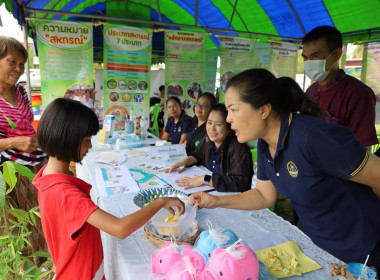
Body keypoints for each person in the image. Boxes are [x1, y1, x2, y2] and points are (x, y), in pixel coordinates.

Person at [189, 69, 380, 271]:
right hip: (317, 245)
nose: (228, 119)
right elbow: (264, 195)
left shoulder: (313, 137)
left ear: (264, 110)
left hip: (361, 252)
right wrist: (216, 201)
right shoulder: (264, 144)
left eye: (233, 110)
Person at [32, 98, 185, 279]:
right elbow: (120, 228)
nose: (90, 146)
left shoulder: (46, 177)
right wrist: (161, 201)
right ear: (68, 139)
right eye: (87, 140)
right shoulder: (65, 193)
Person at [302, 25, 378, 149]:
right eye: (305, 57)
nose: (309, 62)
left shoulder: (357, 93)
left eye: (315, 56)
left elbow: (363, 151)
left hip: (339, 167)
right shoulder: (311, 92)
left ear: (336, 55)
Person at [167, 103, 253, 192]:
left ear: (229, 128)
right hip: (211, 192)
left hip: (231, 198)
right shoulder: (207, 140)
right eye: (209, 123)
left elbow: (240, 183)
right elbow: (197, 155)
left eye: (218, 124)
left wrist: (206, 179)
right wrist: (183, 162)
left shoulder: (238, 148)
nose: (212, 128)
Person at [0, 36, 45, 166]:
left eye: (21, 64)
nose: (19, 70)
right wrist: (14, 142)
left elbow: (26, 127)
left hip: (35, 165)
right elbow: (19, 140)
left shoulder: (20, 91)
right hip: (9, 175)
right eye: (12, 62)